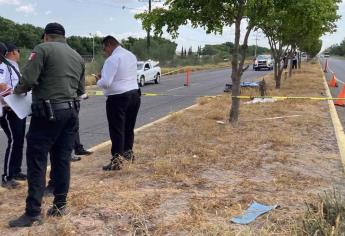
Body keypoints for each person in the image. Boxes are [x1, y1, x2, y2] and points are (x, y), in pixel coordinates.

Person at [9, 22, 85, 227]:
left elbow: (29, 79)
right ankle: (60, 205)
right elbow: (80, 89)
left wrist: (17, 91)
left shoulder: (42, 49)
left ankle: (33, 212)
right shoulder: (77, 56)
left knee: (37, 159)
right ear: (64, 37)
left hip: (48, 113)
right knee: (62, 160)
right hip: (71, 112)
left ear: (45, 36)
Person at [95, 35, 141, 171]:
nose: (105, 52)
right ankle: (128, 155)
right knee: (128, 128)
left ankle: (117, 161)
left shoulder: (112, 59)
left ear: (109, 45)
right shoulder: (131, 55)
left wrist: (98, 79)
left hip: (118, 98)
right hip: (134, 94)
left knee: (117, 130)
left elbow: (106, 83)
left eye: (104, 49)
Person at [0, 43, 27, 189]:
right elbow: (2, 87)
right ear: (11, 52)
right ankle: (7, 177)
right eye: (18, 50)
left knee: (18, 140)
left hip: (17, 108)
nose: (19, 53)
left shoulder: (13, 66)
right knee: (12, 140)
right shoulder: (4, 66)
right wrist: (10, 93)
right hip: (8, 109)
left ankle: (15, 171)